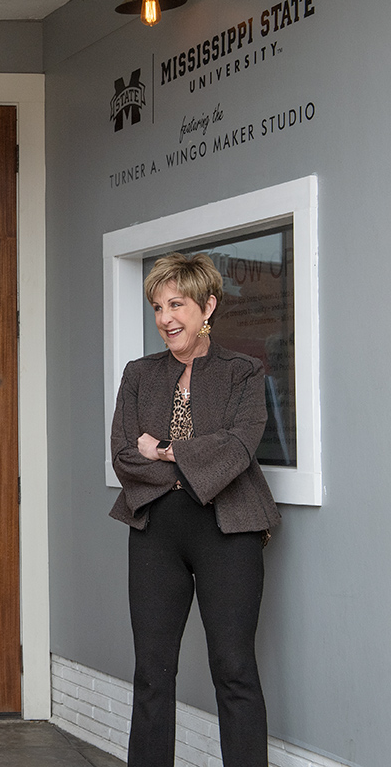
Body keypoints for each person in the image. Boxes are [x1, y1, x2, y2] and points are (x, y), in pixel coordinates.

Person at [110, 252, 281, 767]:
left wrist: (163, 449)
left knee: (234, 669)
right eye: (158, 307)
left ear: (208, 306)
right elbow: (122, 455)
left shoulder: (245, 373)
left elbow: (237, 448)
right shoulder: (138, 374)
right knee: (152, 672)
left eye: (177, 304)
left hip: (228, 531)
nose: (165, 319)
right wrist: (179, 456)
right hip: (155, 531)